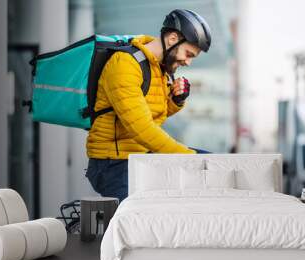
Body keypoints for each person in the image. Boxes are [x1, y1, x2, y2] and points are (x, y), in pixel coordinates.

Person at [85, 9, 212, 202]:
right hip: (113, 165)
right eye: (188, 53)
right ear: (172, 39)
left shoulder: (159, 68)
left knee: (215, 164)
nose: (188, 62)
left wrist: (176, 101)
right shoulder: (125, 64)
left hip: (141, 156)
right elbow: (141, 128)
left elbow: (154, 113)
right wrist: (187, 157)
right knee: (155, 211)